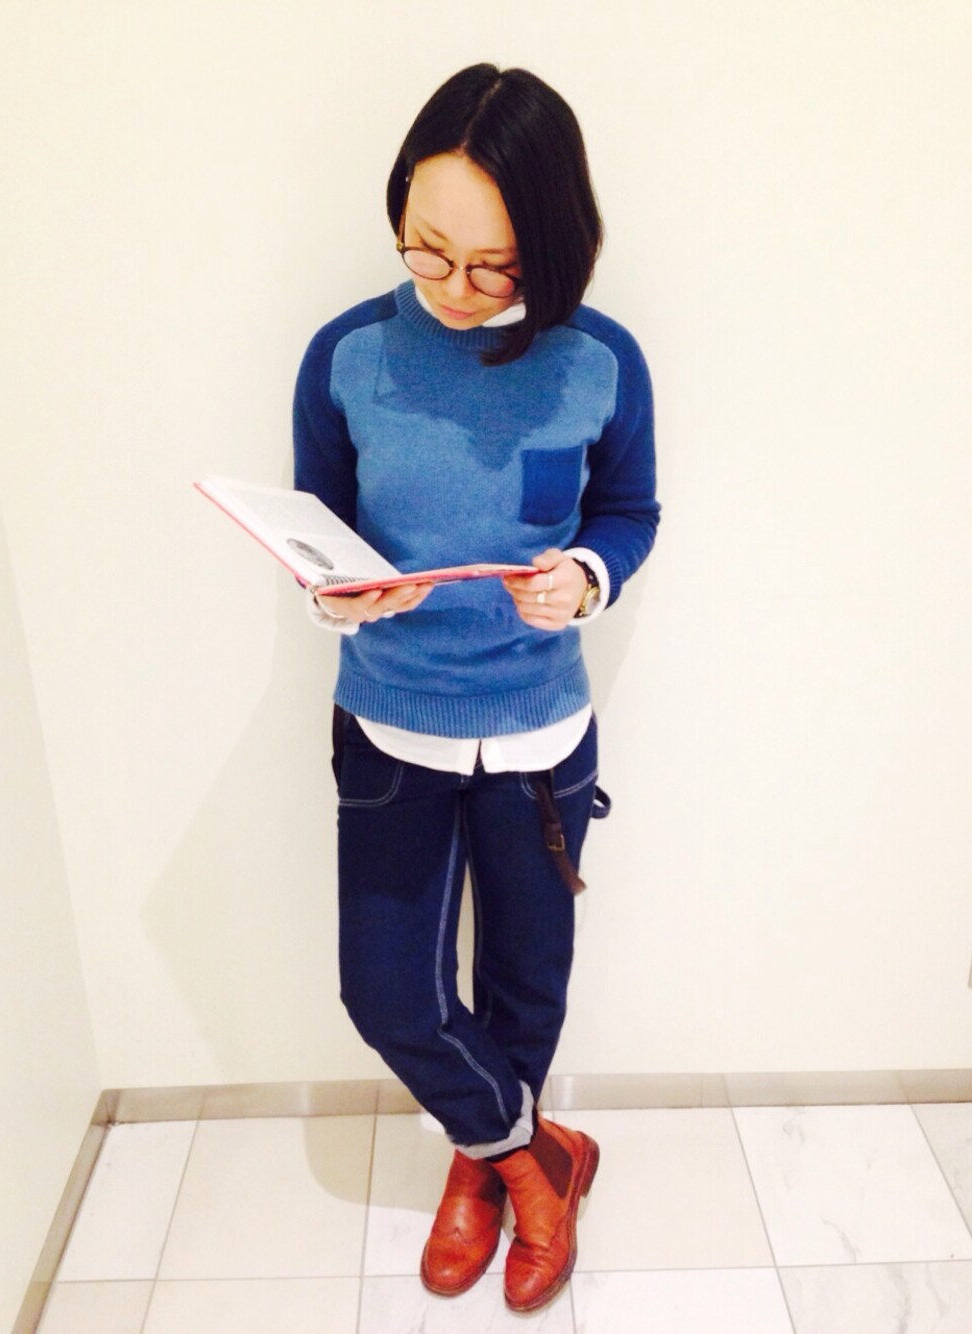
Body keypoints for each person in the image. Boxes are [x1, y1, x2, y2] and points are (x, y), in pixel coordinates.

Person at [293, 63, 659, 1313]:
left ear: (552, 244)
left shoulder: (601, 361)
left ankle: (478, 1159)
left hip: (541, 730)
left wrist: (588, 576)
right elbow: (317, 529)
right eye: (426, 249)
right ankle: (532, 1153)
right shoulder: (345, 354)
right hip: (388, 719)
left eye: (493, 266)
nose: (451, 289)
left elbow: (628, 510)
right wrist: (334, 593)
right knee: (386, 987)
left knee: (524, 978)